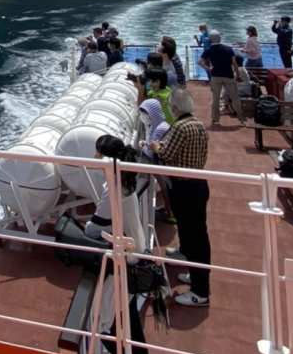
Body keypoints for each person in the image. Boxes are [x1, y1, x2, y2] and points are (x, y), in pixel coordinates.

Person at [150, 88, 210, 307]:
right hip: (198, 184)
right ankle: (192, 268)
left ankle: (200, 291)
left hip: (185, 188)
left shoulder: (179, 127)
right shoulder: (199, 125)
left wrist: (155, 145)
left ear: (175, 108)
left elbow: (165, 153)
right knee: (193, 232)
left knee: (196, 236)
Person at [84, 134, 145, 249]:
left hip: (130, 253)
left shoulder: (115, 188)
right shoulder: (123, 179)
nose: (94, 156)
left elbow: (95, 227)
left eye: (98, 153)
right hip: (135, 242)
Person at [199, 31, 243, 126]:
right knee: (235, 98)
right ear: (220, 38)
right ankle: (241, 118)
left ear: (211, 39)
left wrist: (208, 68)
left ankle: (215, 120)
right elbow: (234, 64)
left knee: (216, 99)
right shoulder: (229, 49)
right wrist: (238, 75)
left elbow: (200, 62)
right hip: (228, 76)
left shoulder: (209, 50)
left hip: (215, 76)